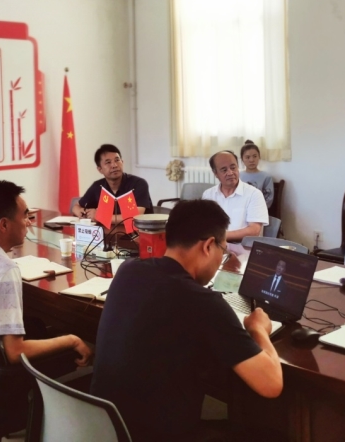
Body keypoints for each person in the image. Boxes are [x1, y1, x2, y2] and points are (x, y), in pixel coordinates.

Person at [91, 199, 282, 442]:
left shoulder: (128, 270)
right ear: (208, 246)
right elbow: (271, 384)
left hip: (104, 427)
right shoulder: (203, 302)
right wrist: (258, 329)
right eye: (223, 251)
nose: (220, 259)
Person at [0, 180, 92, 366]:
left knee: (35, 324)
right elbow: (15, 353)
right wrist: (72, 340)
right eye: (25, 216)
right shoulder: (4, 270)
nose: (29, 222)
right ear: (4, 225)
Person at [72, 144, 153, 225]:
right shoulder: (98, 186)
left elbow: (136, 216)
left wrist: (100, 216)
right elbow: (76, 207)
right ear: (100, 169)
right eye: (108, 162)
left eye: (117, 160)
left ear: (122, 162)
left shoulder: (138, 184)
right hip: (108, 232)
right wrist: (82, 213)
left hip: (139, 232)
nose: (114, 165)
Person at [201, 151, 269, 242]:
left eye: (233, 167)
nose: (230, 173)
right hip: (215, 245)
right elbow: (204, 225)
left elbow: (254, 231)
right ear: (215, 173)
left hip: (243, 247)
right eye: (224, 170)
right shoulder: (208, 195)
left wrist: (219, 236)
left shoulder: (254, 194)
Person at [239, 139, 274, 209]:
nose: (251, 160)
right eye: (247, 157)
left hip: (259, 210)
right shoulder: (238, 176)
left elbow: (268, 199)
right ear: (242, 159)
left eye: (255, 156)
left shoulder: (266, 177)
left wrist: (257, 210)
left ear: (259, 157)